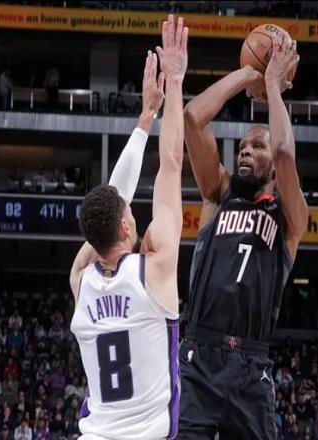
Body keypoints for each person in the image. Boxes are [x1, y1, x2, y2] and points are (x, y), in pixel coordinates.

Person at [179, 31, 308, 438]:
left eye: (256, 146)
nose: (246, 151)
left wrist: (273, 87)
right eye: (242, 148)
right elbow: (192, 117)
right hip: (199, 355)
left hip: (251, 365)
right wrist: (249, 72)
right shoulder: (218, 194)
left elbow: (285, 152)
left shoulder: (289, 220)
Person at [69, 14, 188, 439]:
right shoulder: (155, 270)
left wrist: (145, 118)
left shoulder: (81, 281)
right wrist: (174, 82)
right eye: (130, 214)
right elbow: (171, 165)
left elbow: (111, 200)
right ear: (124, 226)